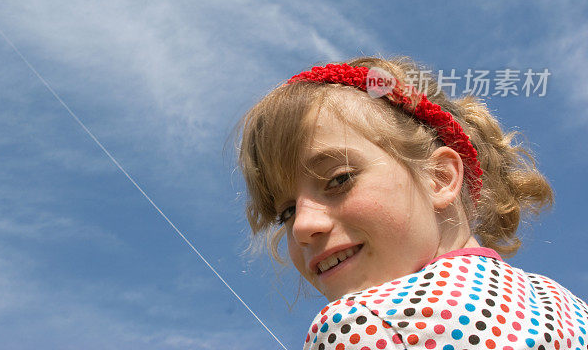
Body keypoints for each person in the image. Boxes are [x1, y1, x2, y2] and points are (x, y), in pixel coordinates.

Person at [237, 56, 587, 350]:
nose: (301, 227)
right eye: (287, 211)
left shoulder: (364, 324)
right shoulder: (567, 306)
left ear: (440, 177)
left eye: (339, 179)